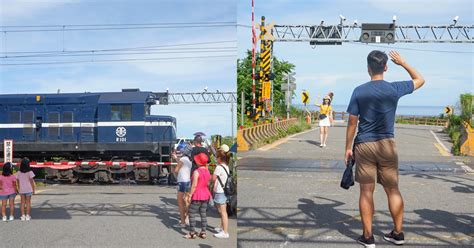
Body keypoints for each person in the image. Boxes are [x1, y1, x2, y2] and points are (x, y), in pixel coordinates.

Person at [345, 50, 425, 247]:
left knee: (366, 191)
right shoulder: (394, 89)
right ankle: (398, 233)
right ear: (386, 67)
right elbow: (420, 79)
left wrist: (348, 148)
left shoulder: (359, 90)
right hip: (388, 145)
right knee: (392, 189)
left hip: (364, 145)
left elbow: (352, 123)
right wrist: (403, 63)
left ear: (368, 69)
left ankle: (368, 237)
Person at [184, 152, 212, 239]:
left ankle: (192, 233)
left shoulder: (196, 172)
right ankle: (203, 232)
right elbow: (208, 183)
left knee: (192, 213)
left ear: (198, 162)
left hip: (197, 194)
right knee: (203, 214)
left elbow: (194, 185)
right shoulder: (207, 171)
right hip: (205, 194)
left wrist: (189, 195)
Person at [212, 145, 231, 239]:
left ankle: (225, 232)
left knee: (223, 212)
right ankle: (222, 228)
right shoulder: (226, 166)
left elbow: (213, 179)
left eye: (216, 157)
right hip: (224, 191)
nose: (216, 158)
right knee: (222, 211)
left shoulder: (219, 167)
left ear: (219, 158)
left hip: (220, 191)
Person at [172, 145, 193, 228]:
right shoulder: (189, 160)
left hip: (182, 182)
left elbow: (176, 170)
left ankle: (182, 223)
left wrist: (174, 171)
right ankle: (187, 218)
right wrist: (176, 158)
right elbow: (181, 164)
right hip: (188, 181)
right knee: (187, 201)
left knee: (180, 203)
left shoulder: (183, 159)